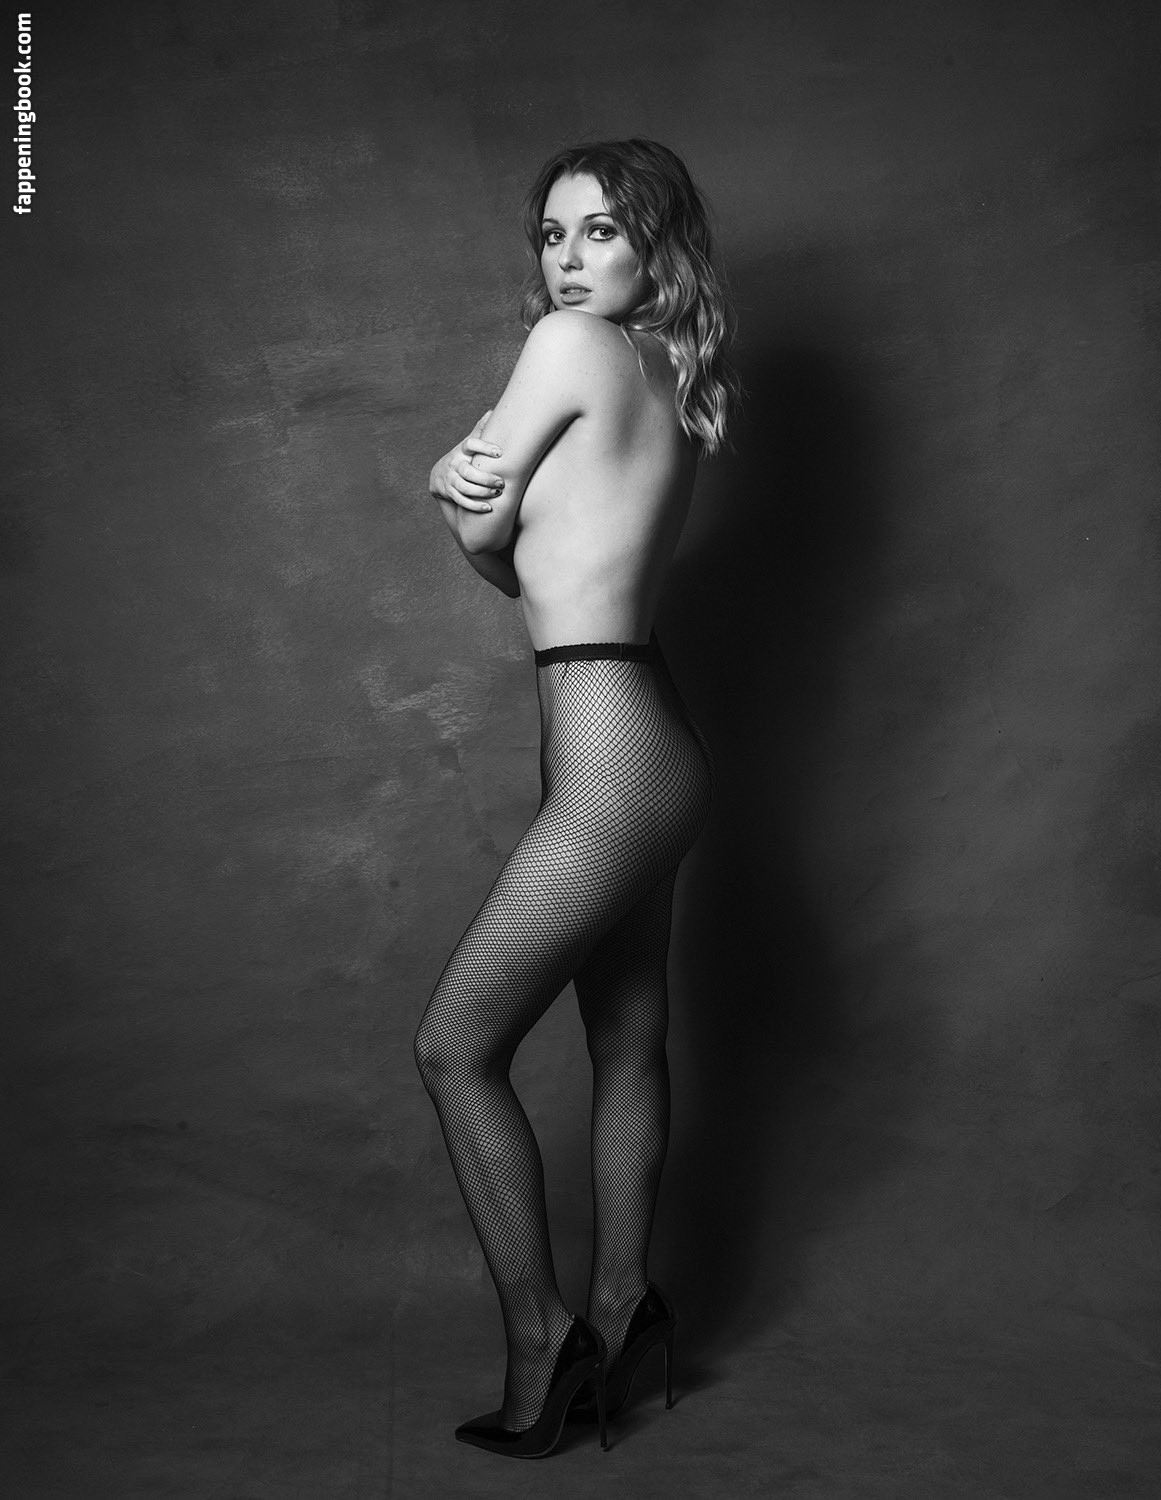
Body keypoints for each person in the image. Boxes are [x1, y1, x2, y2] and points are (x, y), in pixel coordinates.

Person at [414, 137, 741, 1459]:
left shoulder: (566, 349)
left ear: (655, 242)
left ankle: (545, 1339)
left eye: (600, 230)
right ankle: (624, 1309)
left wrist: (446, 485)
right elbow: (543, 576)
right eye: (552, 234)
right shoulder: (665, 369)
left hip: (610, 751)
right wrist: (480, 515)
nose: (566, 259)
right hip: (651, 731)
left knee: (454, 1047)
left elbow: (488, 540)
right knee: (627, 1040)